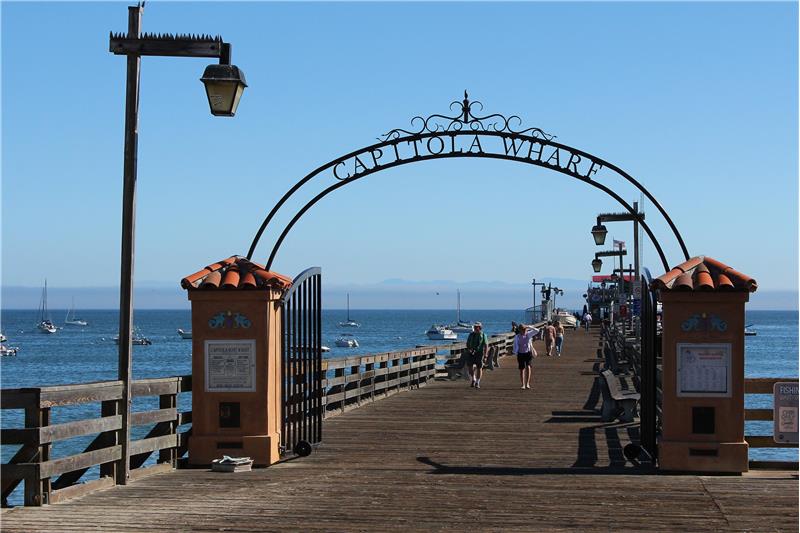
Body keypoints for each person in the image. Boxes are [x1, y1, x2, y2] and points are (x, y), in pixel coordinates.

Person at [513, 324, 538, 389]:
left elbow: (537, 330)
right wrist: (515, 352)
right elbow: (515, 345)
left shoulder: (528, 334)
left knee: (528, 367)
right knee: (522, 369)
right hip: (520, 353)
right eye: (523, 330)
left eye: (525, 329)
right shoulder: (517, 337)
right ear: (520, 330)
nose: (524, 331)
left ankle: (527, 384)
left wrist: (529, 326)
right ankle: (523, 384)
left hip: (528, 353)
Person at [466, 322, 488, 389]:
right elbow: (467, 343)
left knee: (479, 367)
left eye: (477, 326)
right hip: (471, 352)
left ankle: (477, 382)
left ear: (480, 327)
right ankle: (473, 378)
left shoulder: (484, 335)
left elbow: (486, 345)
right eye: (475, 326)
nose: (475, 328)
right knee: (470, 367)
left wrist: (485, 355)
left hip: (479, 353)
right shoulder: (471, 335)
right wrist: (469, 349)